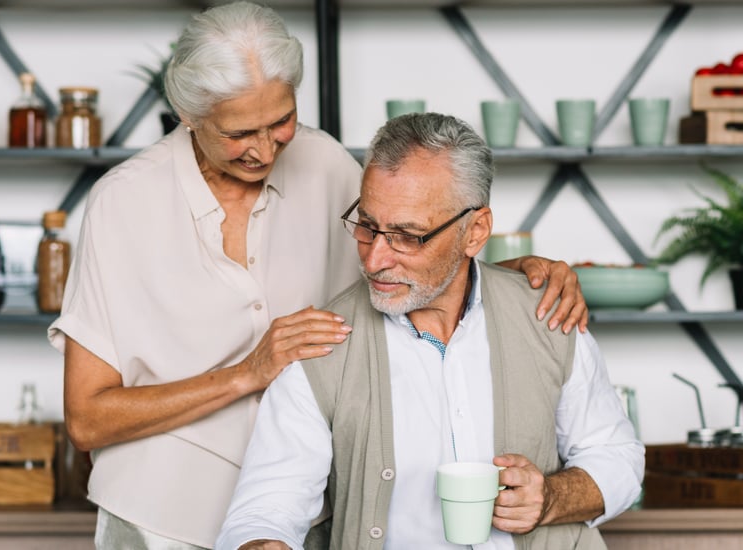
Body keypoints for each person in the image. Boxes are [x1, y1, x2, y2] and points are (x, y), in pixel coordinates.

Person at [48, 3, 590, 549]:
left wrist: (513, 276)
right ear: (189, 114)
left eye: (280, 121)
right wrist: (247, 373)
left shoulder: (328, 164)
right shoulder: (123, 202)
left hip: (306, 522)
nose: (264, 150)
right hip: (160, 522)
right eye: (240, 132)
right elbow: (88, 419)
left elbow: (412, 247)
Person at [216, 113, 645, 550]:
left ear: (474, 232)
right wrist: (262, 542)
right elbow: (266, 508)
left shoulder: (550, 317)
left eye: (407, 236)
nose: (375, 258)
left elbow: (618, 458)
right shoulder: (319, 347)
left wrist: (551, 498)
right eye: (367, 226)